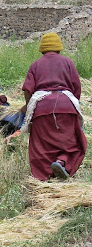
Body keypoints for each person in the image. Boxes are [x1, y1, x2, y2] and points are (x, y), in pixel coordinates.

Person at [21, 32, 87, 181]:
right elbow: (76, 87)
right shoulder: (67, 62)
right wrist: (69, 105)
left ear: (42, 49)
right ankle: (61, 162)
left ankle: (46, 177)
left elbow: (27, 89)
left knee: (41, 146)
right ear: (59, 48)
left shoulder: (35, 65)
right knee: (73, 141)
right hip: (66, 106)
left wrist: (29, 107)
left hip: (42, 108)